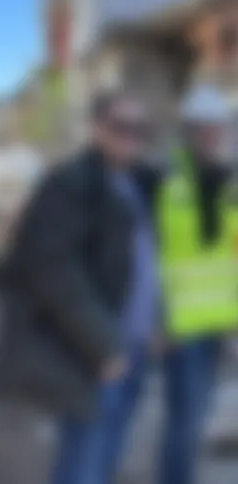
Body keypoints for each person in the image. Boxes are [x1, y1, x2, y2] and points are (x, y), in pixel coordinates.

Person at [0, 91, 158, 484]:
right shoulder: (71, 185)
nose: (131, 138)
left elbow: (149, 262)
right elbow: (54, 272)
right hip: (97, 353)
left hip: (133, 345)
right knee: (84, 460)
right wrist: (104, 345)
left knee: (108, 452)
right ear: (98, 130)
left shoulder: (137, 183)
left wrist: (157, 324)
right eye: (121, 128)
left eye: (139, 130)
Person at [154, 83, 238, 484]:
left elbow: (233, 253)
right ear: (188, 131)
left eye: (217, 127)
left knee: (198, 416)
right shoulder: (164, 181)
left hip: (217, 325)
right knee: (184, 423)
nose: (212, 135)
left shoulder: (229, 184)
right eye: (203, 127)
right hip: (179, 328)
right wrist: (158, 317)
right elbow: (148, 257)